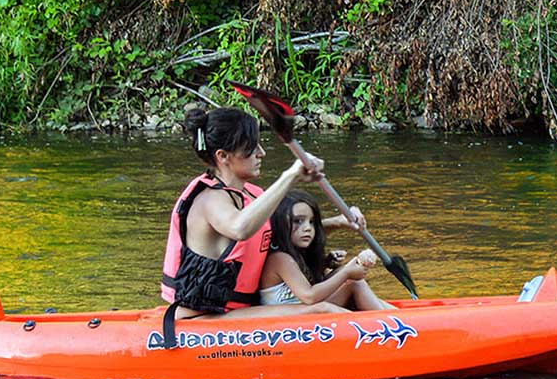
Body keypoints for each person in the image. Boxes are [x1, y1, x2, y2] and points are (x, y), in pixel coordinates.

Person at [160, 107, 365, 343]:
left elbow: (285, 235)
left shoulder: (251, 194)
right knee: (322, 311)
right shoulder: (209, 201)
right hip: (201, 321)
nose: (262, 153)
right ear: (223, 156)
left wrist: (341, 222)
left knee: (352, 284)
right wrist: (290, 176)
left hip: (238, 311)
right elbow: (240, 228)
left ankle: (404, 320)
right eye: (251, 148)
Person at [259, 190, 396, 311]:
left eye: (312, 222)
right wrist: (347, 273)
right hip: (290, 320)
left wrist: (325, 263)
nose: (307, 228)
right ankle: (391, 323)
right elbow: (309, 296)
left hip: (304, 308)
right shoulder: (280, 258)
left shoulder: (294, 252)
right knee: (354, 283)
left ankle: (397, 314)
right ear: (280, 223)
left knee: (344, 274)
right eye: (298, 221)